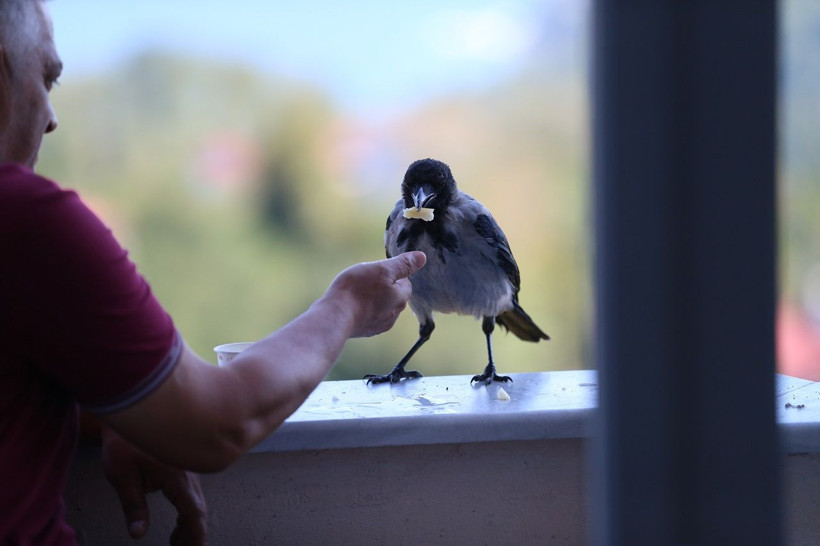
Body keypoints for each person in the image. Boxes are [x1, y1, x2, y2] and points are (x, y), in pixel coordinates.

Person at [0, 1, 426, 544]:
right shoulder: (24, 219)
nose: (51, 117)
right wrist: (346, 305)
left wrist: (125, 409)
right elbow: (220, 422)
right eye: (47, 78)